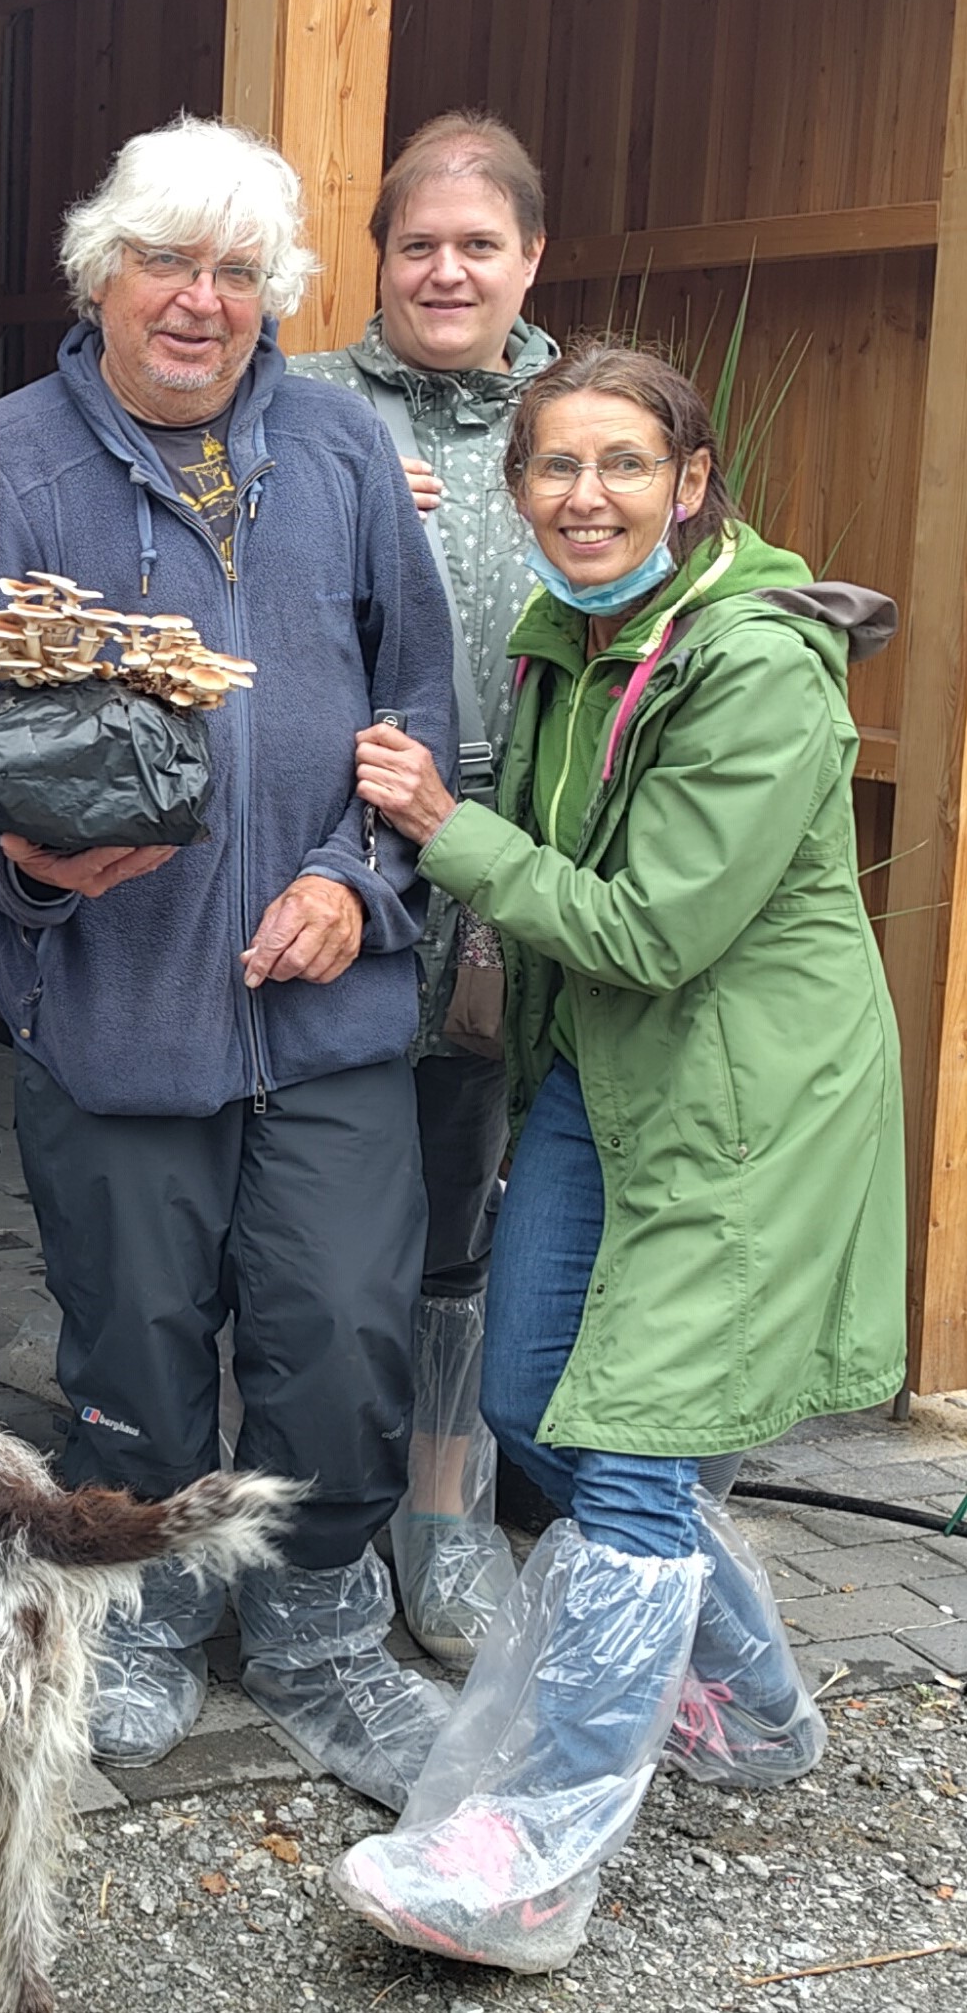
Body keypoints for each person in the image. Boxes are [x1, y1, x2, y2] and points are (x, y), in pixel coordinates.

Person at [333, 345, 904, 1971]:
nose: (586, 497)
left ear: (693, 480)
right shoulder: (573, 643)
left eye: (622, 466)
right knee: (524, 1399)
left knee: (638, 1454)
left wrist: (443, 823)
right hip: (602, 1078)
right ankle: (756, 1696)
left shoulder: (754, 666)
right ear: (520, 493)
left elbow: (654, 926)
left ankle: (535, 1854)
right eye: (555, 470)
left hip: (743, 1104)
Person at [0, 117, 460, 1811]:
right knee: (134, 1339)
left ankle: (312, 1627)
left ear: (272, 295)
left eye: (237, 271)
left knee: (344, 1325)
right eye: (169, 260)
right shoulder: (12, 463)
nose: (200, 300)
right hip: (114, 1008)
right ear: (104, 274)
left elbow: (424, 713)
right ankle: (136, 1603)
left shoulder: (347, 450)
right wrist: (27, 860)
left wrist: (359, 885)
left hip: (327, 1006)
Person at [290, 112, 560, 1665]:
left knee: (459, 1221)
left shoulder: (577, 412)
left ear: (528, 256)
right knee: (298, 1229)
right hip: (331, 875)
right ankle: (286, 1508)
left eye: (477, 242)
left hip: (499, 886)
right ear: (376, 257)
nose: (444, 268)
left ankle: (441, 1518)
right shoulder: (303, 398)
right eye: (416, 242)